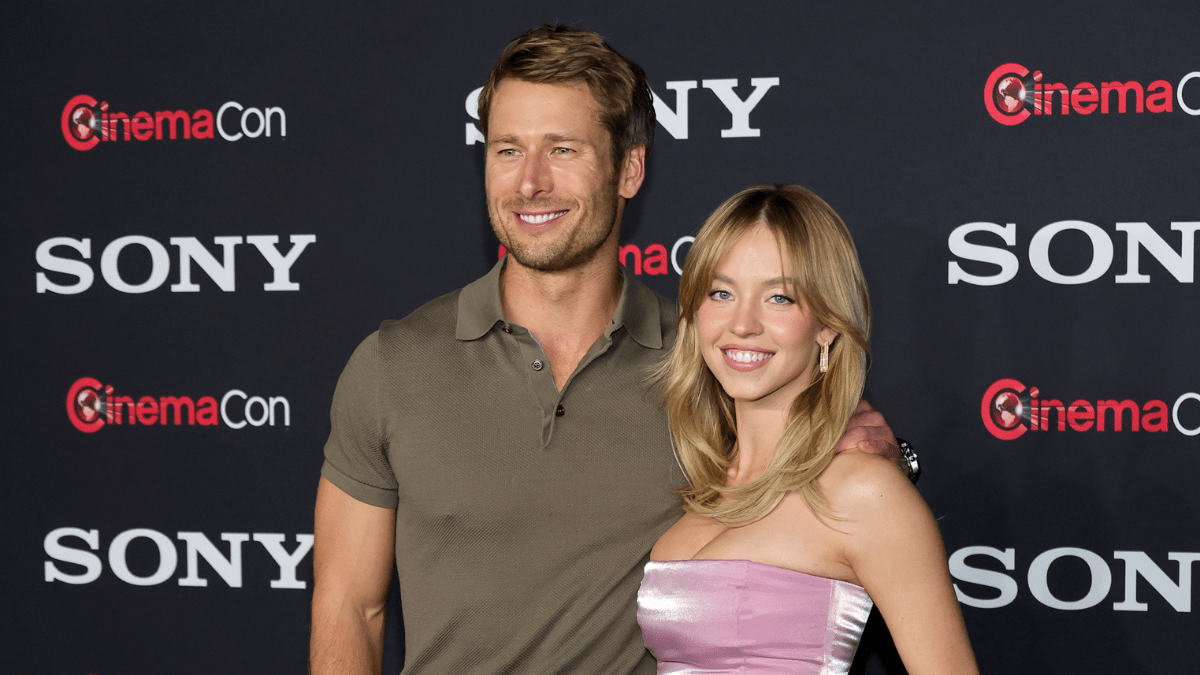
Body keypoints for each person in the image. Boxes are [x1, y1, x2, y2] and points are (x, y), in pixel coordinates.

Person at [310, 26, 906, 675]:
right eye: (508, 149)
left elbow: (826, 461)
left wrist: (874, 442)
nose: (530, 182)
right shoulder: (393, 365)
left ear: (629, 169)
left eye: (562, 149)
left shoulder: (707, 364)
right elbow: (349, 604)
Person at [638, 184, 978, 674]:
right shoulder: (701, 484)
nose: (743, 323)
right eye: (721, 292)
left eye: (778, 297)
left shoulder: (863, 490)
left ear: (827, 325)